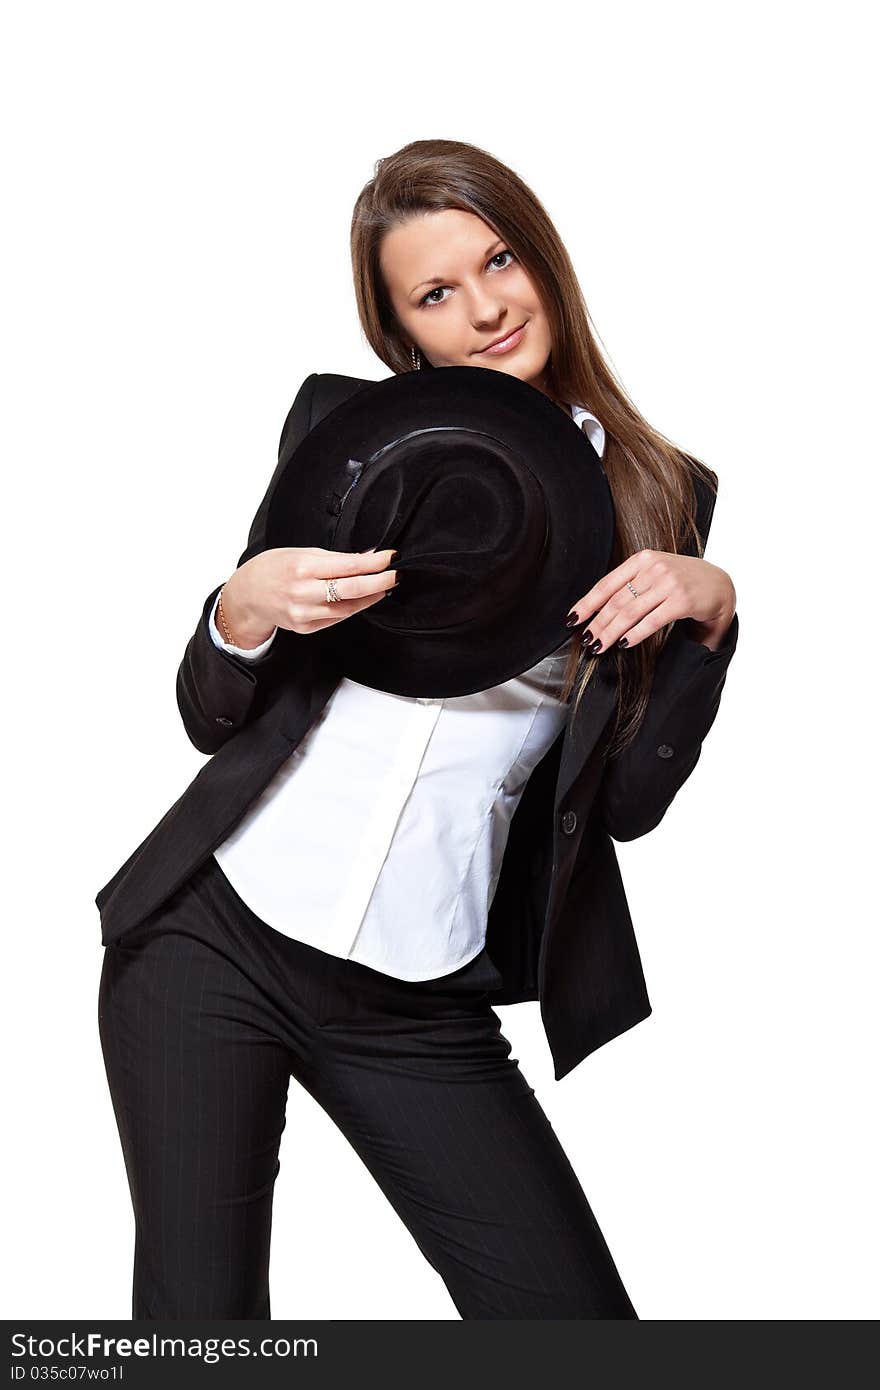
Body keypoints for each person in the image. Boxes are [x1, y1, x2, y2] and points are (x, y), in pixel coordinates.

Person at [97, 138, 739, 1320]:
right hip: (212, 941)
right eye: (436, 293)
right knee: (197, 1337)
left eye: (499, 262)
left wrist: (710, 613)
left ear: (543, 260)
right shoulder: (346, 438)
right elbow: (209, 716)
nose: (486, 309)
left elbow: (630, 806)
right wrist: (238, 610)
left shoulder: (662, 497)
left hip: (418, 994)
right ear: (404, 336)